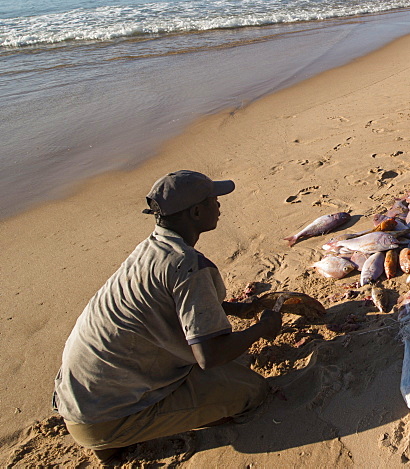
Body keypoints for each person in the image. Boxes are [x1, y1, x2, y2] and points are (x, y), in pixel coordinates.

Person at [53, 171, 283, 463]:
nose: (219, 206)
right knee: (251, 391)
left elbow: (166, 304)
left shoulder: (150, 250)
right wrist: (261, 330)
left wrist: (237, 309)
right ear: (197, 212)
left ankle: (114, 433)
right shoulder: (188, 265)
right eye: (214, 201)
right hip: (105, 417)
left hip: (79, 398)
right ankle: (121, 436)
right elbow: (208, 356)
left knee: (225, 361)